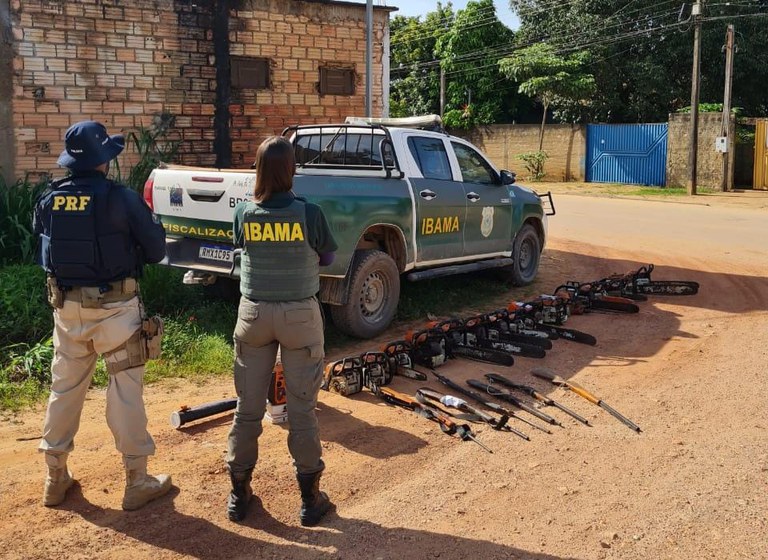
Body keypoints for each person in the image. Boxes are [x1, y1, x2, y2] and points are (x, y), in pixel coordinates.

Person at [33, 121, 172, 510]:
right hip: (116, 312)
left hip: (68, 311)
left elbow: (45, 250)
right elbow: (157, 250)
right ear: (103, 162)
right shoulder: (122, 199)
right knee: (125, 393)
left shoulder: (49, 198)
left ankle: (55, 477)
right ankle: (136, 480)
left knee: (64, 390)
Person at [226, 136, 338, 526]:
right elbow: (327, 255)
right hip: (299, 317)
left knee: (248, 410)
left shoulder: (244, 213)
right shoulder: (309, 213)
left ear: (258, 170)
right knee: (302, 410)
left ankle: (239, 496)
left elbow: (243, 247)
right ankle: (310, 501)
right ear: (291, 169)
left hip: (253, 315)